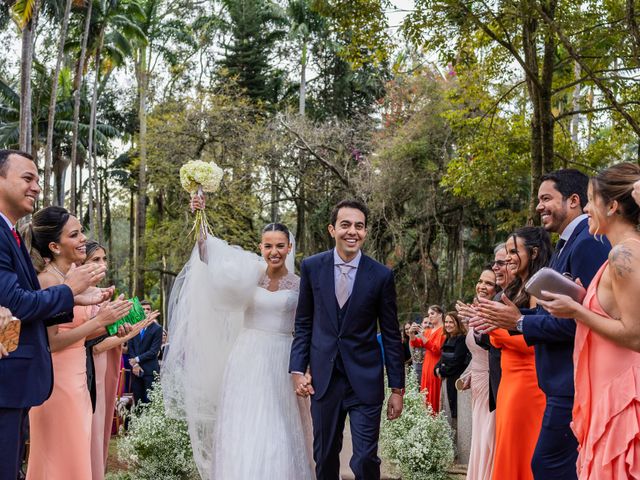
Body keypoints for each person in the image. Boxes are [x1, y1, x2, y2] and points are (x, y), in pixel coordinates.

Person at [162, 194, 314, 479]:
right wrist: (200, 216)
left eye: (280, 246)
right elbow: (209, 255)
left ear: (290, 247)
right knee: (243, 422)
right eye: (268, 246)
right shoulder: (249, 272)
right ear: (261, 247)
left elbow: (305, 328)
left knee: (277, 424)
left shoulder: (300, 285)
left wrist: (304, 367)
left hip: (281, 357)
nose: (274, 251)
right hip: (247, 355)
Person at [479, 170, 610, 479]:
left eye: (546, 199)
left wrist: (521, 322)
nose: (539, 206)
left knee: (548, 465)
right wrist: (513, 320)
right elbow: (557, 313)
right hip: (557, 385)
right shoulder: (567, 244)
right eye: (539, 200)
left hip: (572, 382)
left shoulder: (587, 244)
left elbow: (582, 321)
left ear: (574, 201)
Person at [0, 150, 110, 480]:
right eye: (27, 178)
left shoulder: (12, 233)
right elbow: (17, 302)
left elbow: (26, 306)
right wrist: (68, 291)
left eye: (37, 179)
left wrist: (76, 298)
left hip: (23, 379)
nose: (35, 186)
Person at [289, 199, 405, 480]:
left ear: (365, 232)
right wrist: (296, 369)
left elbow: (390, 334)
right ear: (332, 229)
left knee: (366, 458)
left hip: (365, 379)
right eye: (345, 225)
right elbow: (303, 323)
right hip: (324, 380)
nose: (352, 231)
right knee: (325, 456)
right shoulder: (312, 267)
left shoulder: (381, 275)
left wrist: (397, 389)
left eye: (359, 226)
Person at [539, 163, 640, 478]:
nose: (585, 208)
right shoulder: (618, 254)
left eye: (591, 200)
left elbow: (635, 335)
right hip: (605, 395)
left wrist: (577, 311)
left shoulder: (624, 256)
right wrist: (584, 300)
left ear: (612, 206)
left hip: (622, 397)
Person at [23, 206, 132, 480]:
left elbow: (85, 330)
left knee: (75, 456)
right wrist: (98, 321)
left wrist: (110, 321)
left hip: (78, 380)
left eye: (82, 231)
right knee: (60, 459)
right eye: (75, 234)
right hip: (57, 385)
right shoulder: (47, 281)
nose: (83, 238)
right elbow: (53, 342)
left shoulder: (71, 281)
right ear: (55, 246)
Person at [83, 241, 155, 479]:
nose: (102, 264)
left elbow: (104, 338)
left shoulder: (102, 296)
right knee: (90, 430)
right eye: (95, 260)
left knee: (100, 428)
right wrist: (131, 333)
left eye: (104, 259)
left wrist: (125, 330)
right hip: (87, 370)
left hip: (103, 367)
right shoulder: (77, 295)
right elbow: (90, 345)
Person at [482, 227, 549, 480]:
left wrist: (497, 331)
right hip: (508, 382)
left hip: (527, 384)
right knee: (507, 447)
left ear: (533, 253)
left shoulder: (538, 289)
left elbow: (535, 340)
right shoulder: (518, 289)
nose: (508, 258)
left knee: (520, 450)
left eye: (513, 251)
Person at [458, 267, 498, 480]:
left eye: (489, 283)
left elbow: (493, 349)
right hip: (477, 383)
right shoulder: (476, 311)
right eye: (481, 281)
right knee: (479, 435)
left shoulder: (495, 312)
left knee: (488, 437)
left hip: (492, 383)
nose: (482, 286)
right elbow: (476, 352)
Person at [434, 311, 469, 420]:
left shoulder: (462, 339)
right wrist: (436, 368)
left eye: (451, 322)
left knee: (455, 411)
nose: (448, 325)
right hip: (446, 379)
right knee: (446, 409)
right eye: (446, 322)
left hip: (456, 379)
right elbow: (442, 358)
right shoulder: (448, 338)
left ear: (458, 323)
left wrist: (442, 371)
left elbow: (457, 362)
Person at [409, 305, 445, 411]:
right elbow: (416, 343)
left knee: (434, 392)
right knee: (426, 392)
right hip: (426, 366)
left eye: (432, 314)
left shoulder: (443, 330)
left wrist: (423, 336)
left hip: (435, 364)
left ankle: (435, 418)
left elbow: (436, 349)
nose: (430, 316)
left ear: (440, 314)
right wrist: (411, 333)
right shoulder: (429, 331)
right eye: (429, 314)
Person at [128, 300, 163, 404]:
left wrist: (136, 359)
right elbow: (131, 346)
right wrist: (135, 365)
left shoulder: (157, 329)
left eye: (148, 309)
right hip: (135, 371)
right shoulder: (134, 326)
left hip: (150, 371)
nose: (146, 311)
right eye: (143, 309)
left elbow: (153, 351)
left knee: (150, 402)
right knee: (138, 403)